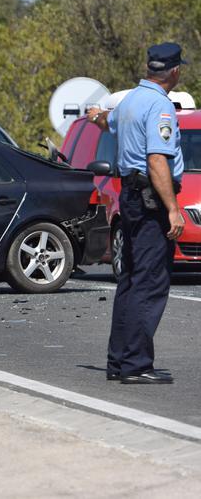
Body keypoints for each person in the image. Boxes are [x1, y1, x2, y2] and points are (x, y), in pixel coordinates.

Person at [86, 42, 186, 384]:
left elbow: (106, 122)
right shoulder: (159, 106)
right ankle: (136, 364)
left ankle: (119, 360)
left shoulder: (130, 100)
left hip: (130, 195)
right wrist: (173, 208)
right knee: (150, 282)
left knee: (130, 279)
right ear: (174, 71)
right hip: (150, 200)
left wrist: (95, 115)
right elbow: (157, 160)